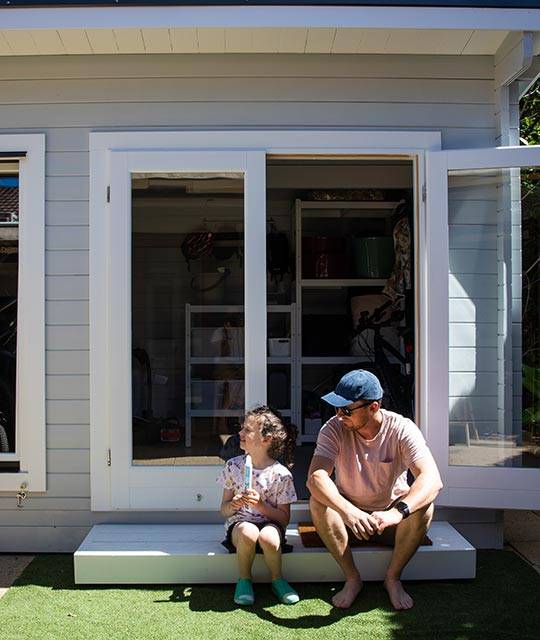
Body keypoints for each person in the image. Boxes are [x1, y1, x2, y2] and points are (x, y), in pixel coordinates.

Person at [307, 369, 443, 611]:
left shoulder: (401, 428)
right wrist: (348, 511)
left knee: (424, 505)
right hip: (350, 518)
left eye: (346, 409)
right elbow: (316, 478)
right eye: (336, 407)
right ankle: (352, 578)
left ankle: (392, 577)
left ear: (373, 407)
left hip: (390, 517)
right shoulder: (333, 428)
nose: (339, 415)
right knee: (318, 501)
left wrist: (397, 513)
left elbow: (432, 479)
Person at [217, 405, 300, 606]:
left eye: (247, 430)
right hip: (240, 525)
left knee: (269, 538)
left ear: (266, 439)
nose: (240, 433)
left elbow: (284, 518)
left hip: (270, 523)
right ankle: (244, 579)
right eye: (242, 428)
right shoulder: (234, 466)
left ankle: (277, 579)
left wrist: (261, 505)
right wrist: (235, 504)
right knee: (248, 532)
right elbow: (223, 510)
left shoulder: (280, 475)